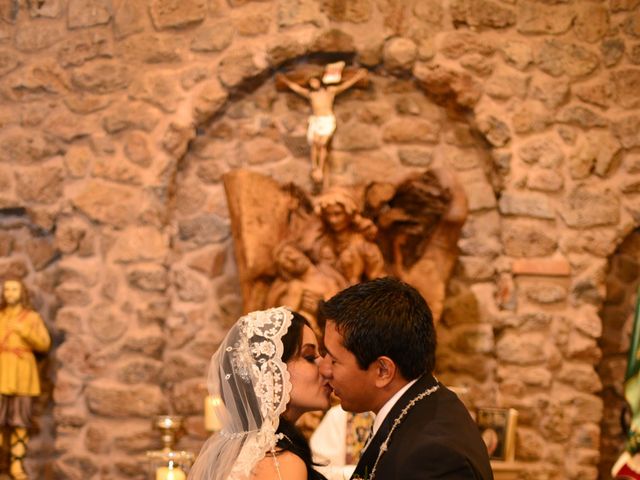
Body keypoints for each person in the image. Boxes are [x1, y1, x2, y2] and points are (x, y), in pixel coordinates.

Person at [318, 277, 493, 480]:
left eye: (334, 360)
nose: (323, 368)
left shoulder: (435, 456)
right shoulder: (419, 406)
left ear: (383, 371)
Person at [188, 307, 331, 480]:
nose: (325, 367)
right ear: (270, 373)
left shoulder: (231, 453)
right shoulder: (281, 463)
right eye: (309, 357)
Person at [278, 65, 368, 187]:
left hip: (326, 120)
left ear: (319, 81)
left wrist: (357, 77)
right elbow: (297, 88)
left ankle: (320, 167)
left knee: (322, 144)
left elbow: (345, 86)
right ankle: (315, 167)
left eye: (315, 81)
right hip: (316, 120)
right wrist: (285, 81)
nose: (313, 84)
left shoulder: (329, 92)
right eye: (311, 83)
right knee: (314, 144)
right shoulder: (311, 95)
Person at [0, 279, 51, 480]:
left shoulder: (31, 318)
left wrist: (26, 333)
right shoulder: (1, 317)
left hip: (22, 373)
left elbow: (44, 344)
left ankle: (16, 466)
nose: (10, 293)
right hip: (2, 371)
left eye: (14, 289)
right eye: (7, 289)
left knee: (20, 421)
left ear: (22, 293)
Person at [266, 242, 347, 337]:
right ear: (285, 271)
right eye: (285, 262)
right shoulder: (296, 286)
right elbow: (287, 319)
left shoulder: (328, 271)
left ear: (300, 251)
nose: (292, 259)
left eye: (290, 253)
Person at [309, 188, 385, 286]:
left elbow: (378, 278)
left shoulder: (362, 245)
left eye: (337, 213)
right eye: (328, 214)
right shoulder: (322, 243)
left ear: (349, 214)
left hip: (354, 296)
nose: (332, 220)